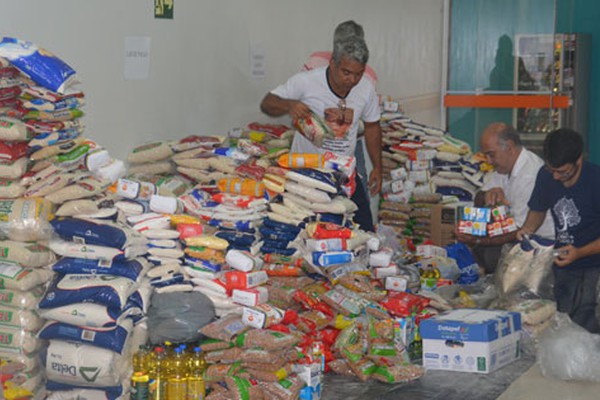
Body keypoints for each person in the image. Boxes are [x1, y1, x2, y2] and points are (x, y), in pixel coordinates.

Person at [260, 35, 382, 232]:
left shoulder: (365, 88)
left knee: (364, 229)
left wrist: (378, 166)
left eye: (358, 74)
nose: (352, 80)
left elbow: (372, 126)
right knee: (307, 231)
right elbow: (268, 102)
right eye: (346, 72)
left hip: (344, 172)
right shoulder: (306, 82)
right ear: (332, 64)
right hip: (306, 174)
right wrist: (289, 104)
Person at [517, 128, 600, 333]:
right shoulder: (545, 176)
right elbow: (538, 209)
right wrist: (527, 230)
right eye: (551, 169)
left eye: (562, 171)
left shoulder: (596, 181)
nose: (555, 176)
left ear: (578, 160)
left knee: (586, 317)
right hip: (562, 259)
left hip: (594, 262)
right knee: (562, 315)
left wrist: (580, 252)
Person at [456, 122, 554, 274]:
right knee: (470, 251)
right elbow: (478, 198)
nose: (488, 161)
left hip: (538, 243)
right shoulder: (503, 168)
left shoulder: (530, 175)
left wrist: (478, 240)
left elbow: (519, 231)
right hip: (514, 235)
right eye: (486, 155)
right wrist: (486, 195)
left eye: (491, 154)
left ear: (509, 147)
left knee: (490, 255)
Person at [302, 20, 378, 206]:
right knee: (320, 196)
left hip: (342, 148)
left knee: (350, 194)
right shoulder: (315, 63)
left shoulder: (367, 76)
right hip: (316, 148)